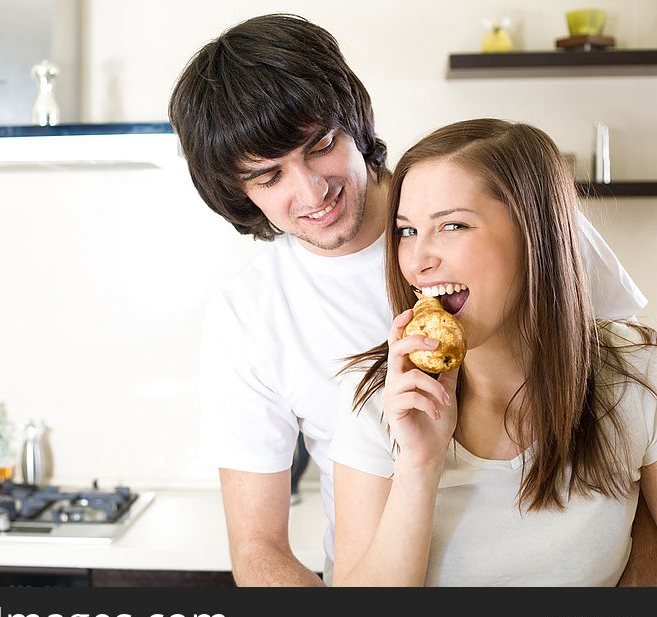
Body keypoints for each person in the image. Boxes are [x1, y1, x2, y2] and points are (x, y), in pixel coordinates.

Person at [167, 13, 653, 586]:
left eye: (320, 146)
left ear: (353, 123)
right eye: (269, 178)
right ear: (238, 193)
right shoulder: (256, 320)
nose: (311, 191)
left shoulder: (512, 214)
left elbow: (629, 426)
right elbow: (258, 553)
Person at [330, 118, 657, 586]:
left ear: (536, 236)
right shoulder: (376, 399)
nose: (419, 260)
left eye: (453, 225)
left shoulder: (639, 375)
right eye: (406, 231)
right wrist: (420, 462)